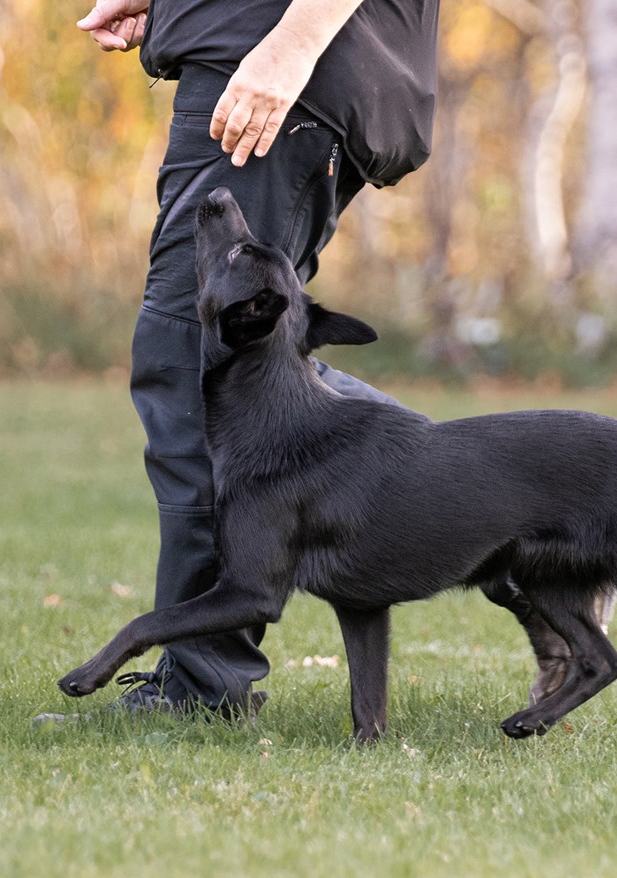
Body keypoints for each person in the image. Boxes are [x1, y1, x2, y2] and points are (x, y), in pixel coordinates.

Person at [75, 0, 439, 716]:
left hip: (279, 65)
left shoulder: (284, 53)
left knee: (194, 359)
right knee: (255, 365)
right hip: (275, 59)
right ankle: (508, 500)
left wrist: (290, 45)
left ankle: (204, 692)